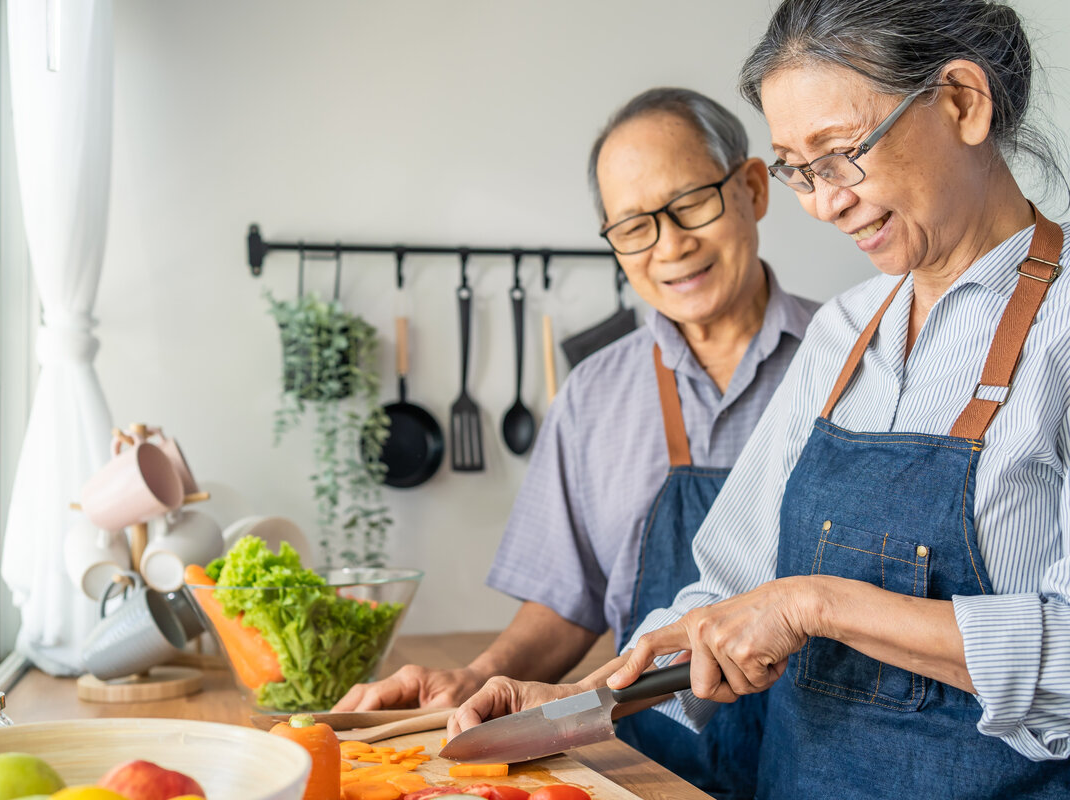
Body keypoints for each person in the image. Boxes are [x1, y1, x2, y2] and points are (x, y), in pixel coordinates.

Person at [450, 1, 1070, 798]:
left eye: (841, 153)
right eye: (798, 168)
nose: (823, 201)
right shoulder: (845, 334)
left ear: (962, 102)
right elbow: (730, 593)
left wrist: (818, 604)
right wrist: (582, 702)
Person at [337, 88, 819, 799]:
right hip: (640, 771)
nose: (670, 245)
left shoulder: (853, 361)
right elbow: (569, 601)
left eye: (691, 204)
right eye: (633, 227)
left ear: (751, 188)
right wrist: (476, 679)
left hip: (820, 769)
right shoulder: (593, 395)